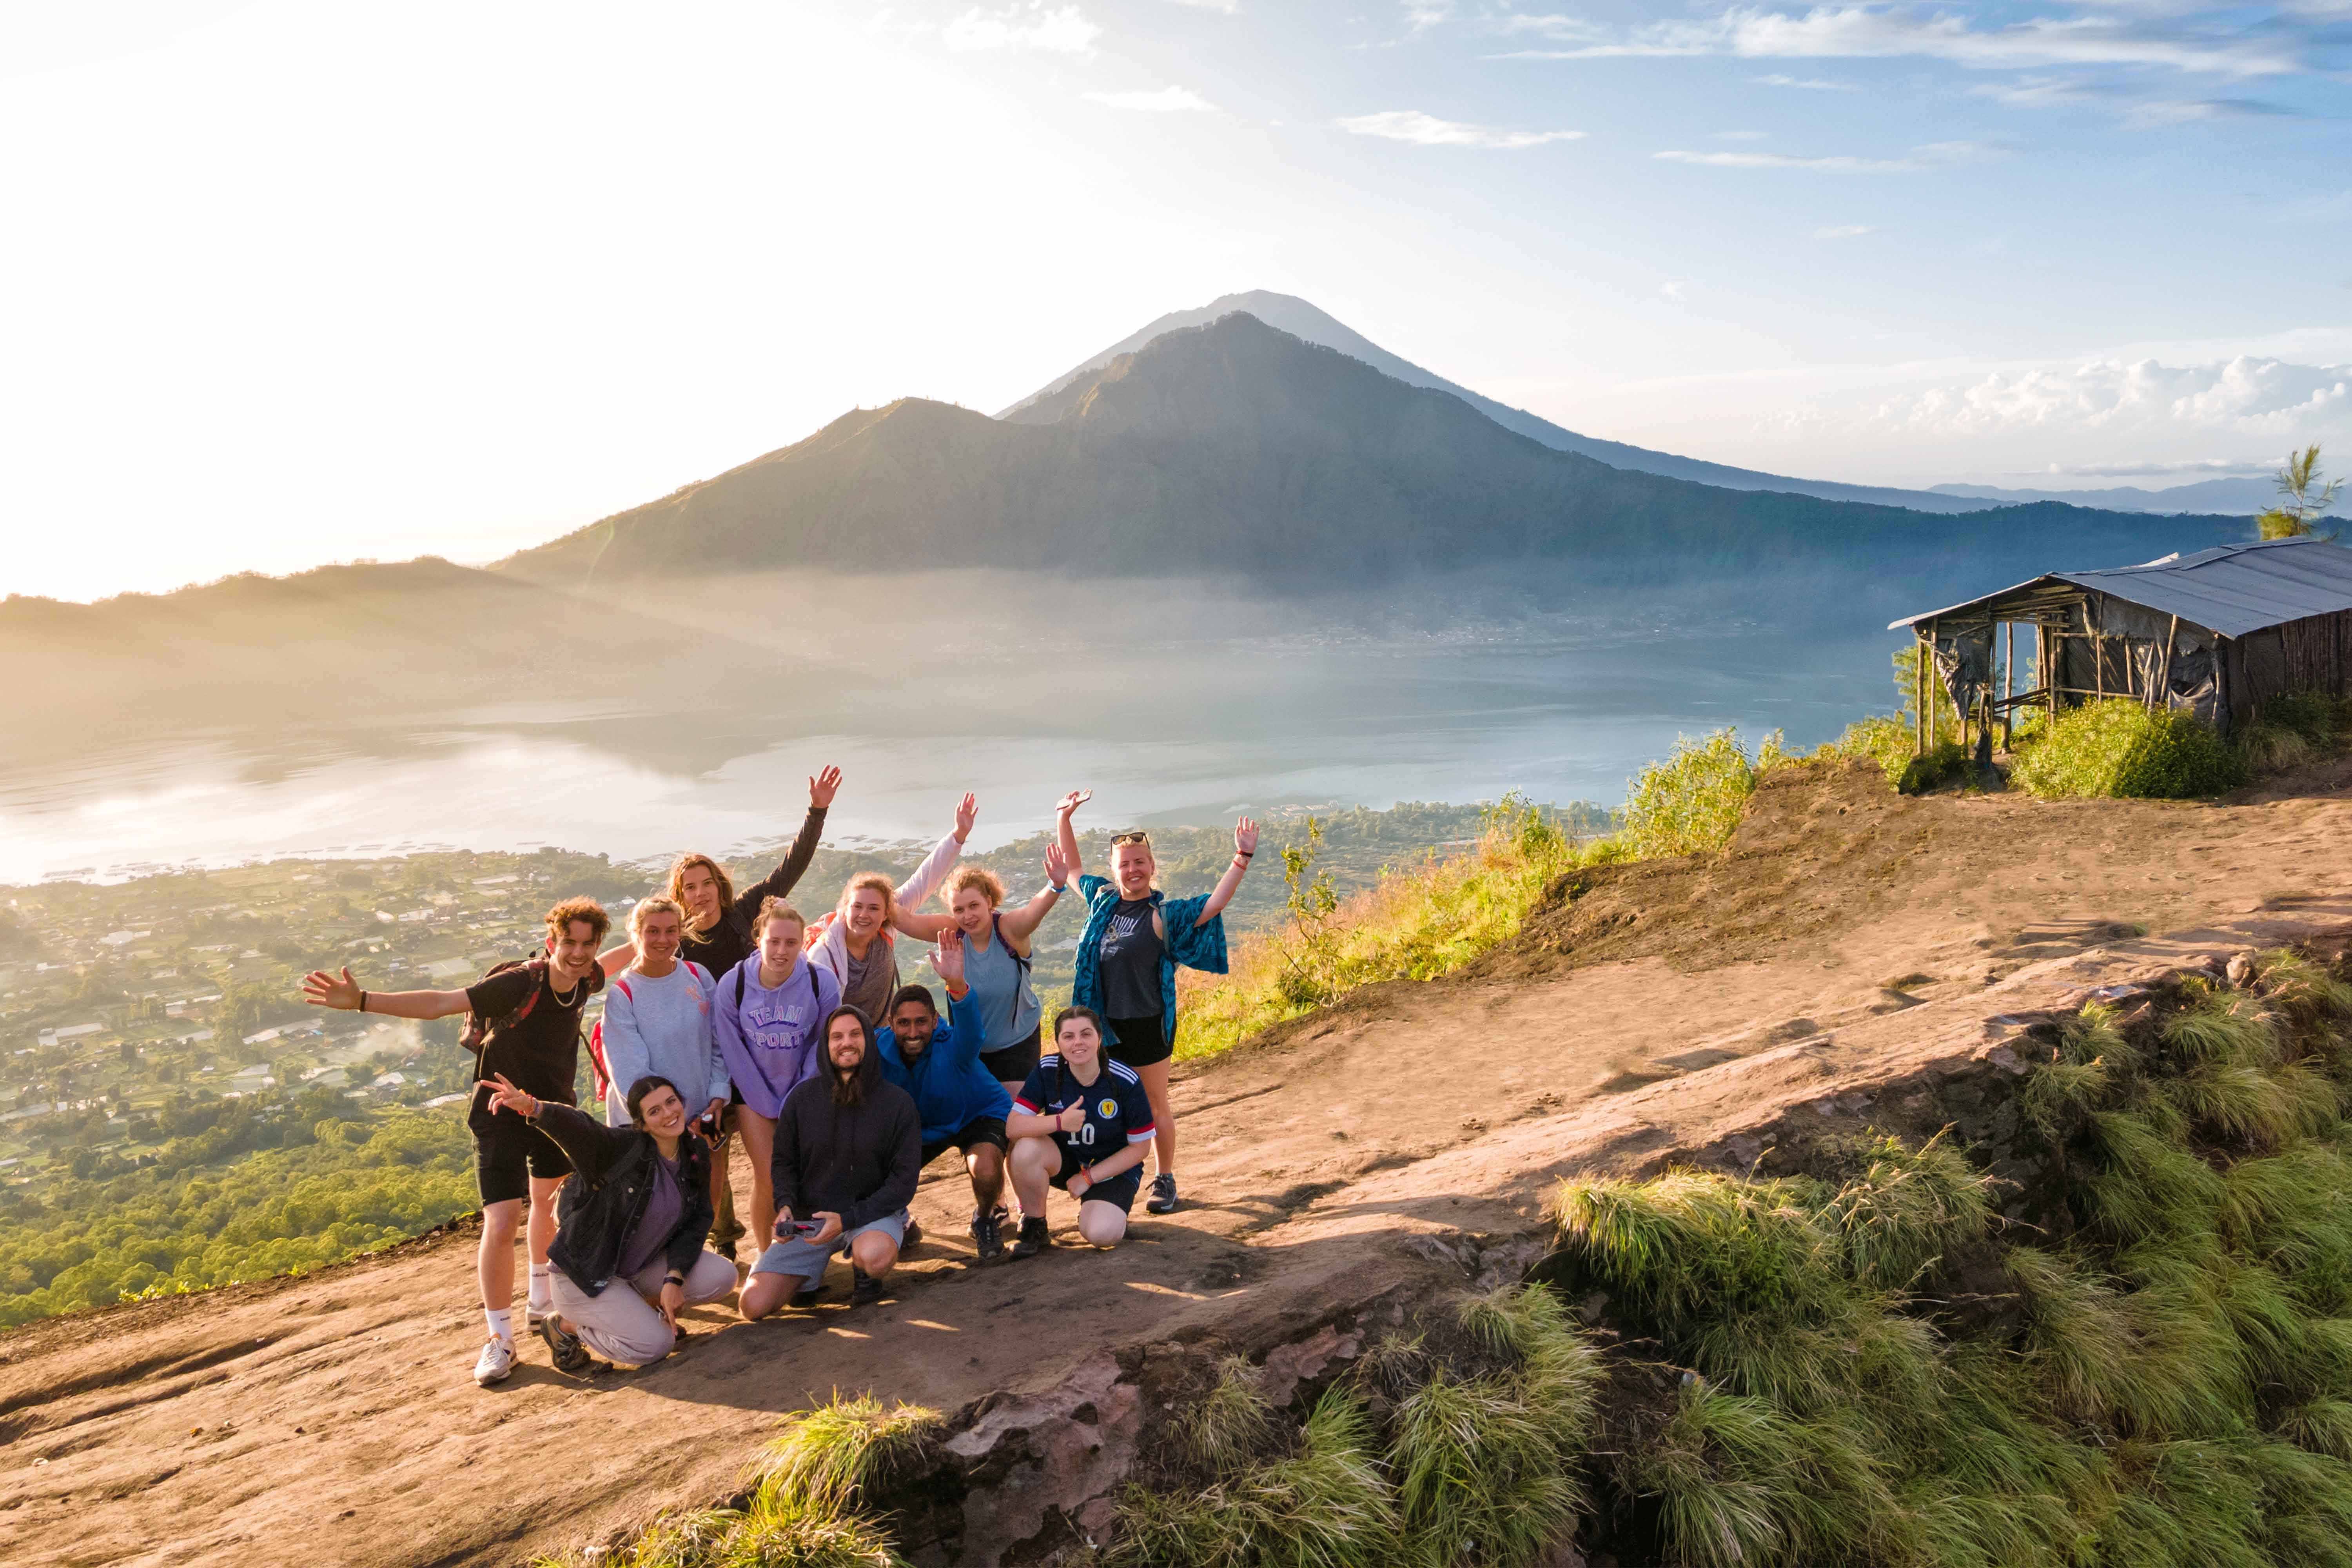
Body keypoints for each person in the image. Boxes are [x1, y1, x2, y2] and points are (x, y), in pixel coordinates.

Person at [300, 897, 612, 1386]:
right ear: (552, 942)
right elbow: (441, 1003)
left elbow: (627, 955)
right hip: (497, 1112)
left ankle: (540, 1304)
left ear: (595, 947)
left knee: (549, 1206)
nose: (576, 953)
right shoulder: (519, 983)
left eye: (586, 945)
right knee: (503, 1219)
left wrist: (674, 928)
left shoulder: (587, 978)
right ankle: (499, 1339)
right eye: (567, 942)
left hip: (550, 1111)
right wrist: (362, 1001)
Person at [600, 764, 842, 1257]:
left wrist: (816, 811)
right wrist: (572, 972)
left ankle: (770, 1247)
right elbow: (632, 959)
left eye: (705, 882)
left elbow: (791, 867)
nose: (699, 892)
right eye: (688, 887)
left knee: (766, 1163)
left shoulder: (744, 914)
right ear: (678, 895)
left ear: (719, 884)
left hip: (758, 1063)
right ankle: (721, 1240)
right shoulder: (675, 944)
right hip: (710, 1066)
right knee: (710, 1163)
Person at [1054, 790, 1258, 1215]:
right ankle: (1111, 1171)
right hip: (1103, 1027)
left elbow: (1214, 903)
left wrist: (1241, 857)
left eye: (1140, 862)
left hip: (1147, 1023)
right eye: (1124, 863)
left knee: (1154, 1103)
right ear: (1114, 869)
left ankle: (1164, 1178)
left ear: (1152, 867)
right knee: (1107, 1102)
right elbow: (1072, 869)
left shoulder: (1164, 913)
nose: (1133, 870)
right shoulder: (1102, 901)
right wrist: (1065, 819)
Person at [477, 1071, 737, 1371]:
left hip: (636, 1268)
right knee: (656, 1345)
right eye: (655, 1111)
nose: (668, 1114)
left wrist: (674, 1278)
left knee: (723, 1277)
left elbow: (697, 1221)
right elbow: (581, 1128)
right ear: (641, 1123)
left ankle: (637, 1309)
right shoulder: (623, 1148)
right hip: (585, 1275)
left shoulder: (695, 1153)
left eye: (671, 1102)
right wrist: (533, 1108)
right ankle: (567, 1326)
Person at [740, 1007, 923, 1318]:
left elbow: (903, 1183)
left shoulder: (897, 1104)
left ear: (868, 1039)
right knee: (753, 1307)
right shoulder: (801, 1101)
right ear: (825, 1046)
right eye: (836, 1037)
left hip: (870, 1215)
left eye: (855, 1034)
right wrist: (784, 1205)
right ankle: (808, 1277)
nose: (846, 1043)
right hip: (810, 1221)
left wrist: (850, 1218)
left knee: (874, 1257)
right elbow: (783, 1163)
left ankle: (865, 1273)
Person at [713, 898, 842, 1255]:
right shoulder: (733, 984)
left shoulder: (821, 983)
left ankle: (801, 1252)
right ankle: (767, 1255)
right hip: (754, 1097)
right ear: (759, 940)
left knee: (805, 1176)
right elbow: (733, 1050)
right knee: (770, 1178)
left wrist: (795, 1097)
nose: (782, 951)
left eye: (791, 943)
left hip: (805, 1090)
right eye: (774, 941)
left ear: (804, 944)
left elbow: (823, 1043)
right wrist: (768, 1103)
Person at [875, 935, 1015, 1261]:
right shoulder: (877, 1050)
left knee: (987, 1169)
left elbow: (972, 1031)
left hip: (977, 1114)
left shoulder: (954, 1044)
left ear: (936, 1021)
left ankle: (984, 1217)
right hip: (923, 1125)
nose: (913, 1032)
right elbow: (841, 1054)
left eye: (922, 1022)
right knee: (873, 1167)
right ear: (890, 1024)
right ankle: (903, 1223)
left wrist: (957, 985)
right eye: (904, 1024)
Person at [890, 848, 1070, 1095]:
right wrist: (871, 897)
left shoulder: (1009, 931)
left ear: (989, 901)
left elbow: (1033, 912)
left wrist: (1055, 885)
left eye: (974, 906)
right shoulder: (953, 933)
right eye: (959, 910)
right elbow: (904, 921)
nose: (968, 916)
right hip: (970, 1045)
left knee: (1012, 1113)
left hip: (1017, 1042)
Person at [803, 792, 976, 1026]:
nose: (865, 915)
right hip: (845, 1046)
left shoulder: (887, 928)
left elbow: (924, 880)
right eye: (858, 907)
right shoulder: (824, 956)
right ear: (845, 909)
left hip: (883, 1036)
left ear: (887, 913)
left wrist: (958, 836)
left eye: (874, 908)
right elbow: (815, 1020)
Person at [1004, 1006, 1154, 1257]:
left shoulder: (1124, 1080)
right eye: (1069, 1037)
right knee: (1025, 1149)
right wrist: (1060, 1122)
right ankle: (1035, 1225)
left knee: (1101, 1235)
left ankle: (1107, 1211)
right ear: (1059, 1042)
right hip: (1067, 1160)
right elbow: (1013, 1126)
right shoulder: (1047, 1070)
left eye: (1086, 1034)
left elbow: (1141, 1148)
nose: (1078, 1043)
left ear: (1099, 1038)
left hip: (1112, 1170)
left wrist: (1089, 1178)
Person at [592, 897, 724, 1133]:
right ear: (636, 934)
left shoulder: (699, 976)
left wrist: (718, 1093)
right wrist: (669, 1120)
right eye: (653, 931)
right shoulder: (623, 996)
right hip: (649, 1126)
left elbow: (719, 1043)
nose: (663, 940)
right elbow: (631, 1073)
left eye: (670, 931)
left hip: (700, 1115)